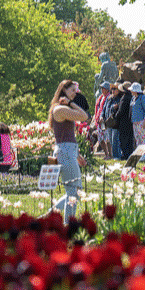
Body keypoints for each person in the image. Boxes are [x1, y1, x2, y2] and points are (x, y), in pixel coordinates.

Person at [48, 80, 89, 220]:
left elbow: (68, 137)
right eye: (72, 90)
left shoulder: (62, 108)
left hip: (67, 151)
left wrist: (77, 155)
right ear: (63, 90)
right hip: (65, 152)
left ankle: (49, 216)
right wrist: (71, 103)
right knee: (74, 192)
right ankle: (68, 225)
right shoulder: (60, 109)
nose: (75, 93)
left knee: (73, 191)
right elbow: (84, 116)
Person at [92, 81, 112, 158]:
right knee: (100, 139)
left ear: (107, 89)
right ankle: (106, 154)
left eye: (103, 88)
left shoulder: (109, 97)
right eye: (101, 88)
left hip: (105, 121)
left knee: (107, 139)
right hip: (99, 121)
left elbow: (107, 109)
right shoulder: (101, 97)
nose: (102, 89)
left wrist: (103, 118)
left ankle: (110, 155)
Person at [115, 82, 135, 160]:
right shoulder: (132, 97)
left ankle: (125, 155)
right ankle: (129, 154)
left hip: (124, 122)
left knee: (123, 139)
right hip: (130, 121)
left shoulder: (125, 97)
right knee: (130, 139)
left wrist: (116, 115)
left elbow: (121, 111)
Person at [130, 81, 145, 147]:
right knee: (137, 138)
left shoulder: (143, 98)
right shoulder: (133, 98)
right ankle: (139, 154)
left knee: (142, 138)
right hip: (135, 121)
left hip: (141, 121)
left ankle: (144, 154)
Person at [104, 84, 123, 159]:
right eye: (112, 89)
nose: (113, 91)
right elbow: (105, 108)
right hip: (108, 122)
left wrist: (113, 107)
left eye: (115, 89)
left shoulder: (119, 99)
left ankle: (117, 156)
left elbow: (117, 108)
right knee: (111, 140)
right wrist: (102, 116)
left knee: (115, 139)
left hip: (115, 122)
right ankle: (114, 155)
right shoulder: (109, 98)